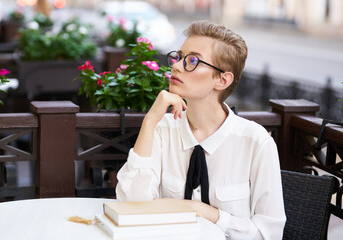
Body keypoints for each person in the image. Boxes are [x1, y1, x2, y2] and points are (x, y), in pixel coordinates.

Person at [116, 20, 286, 239]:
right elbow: (130, 206)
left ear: (222, 80)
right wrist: (150, 120)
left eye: (192, 60)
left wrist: (207, 213)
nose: (176, 66)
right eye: (178, 57)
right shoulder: (163, 130)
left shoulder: (255, 142)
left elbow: (269, 234)